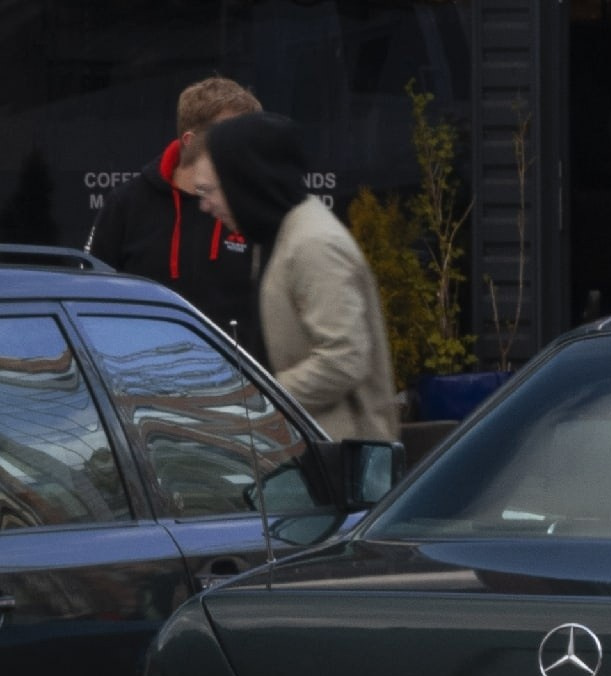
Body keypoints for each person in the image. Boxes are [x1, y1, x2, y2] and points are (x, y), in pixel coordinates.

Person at [186, 112, 398, 445]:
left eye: (208, 190)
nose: (204, 205)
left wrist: (255, 399)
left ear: (245, 181)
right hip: (309, 451)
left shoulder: (313, 245)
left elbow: (343, 359)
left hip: (341, 461)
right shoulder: (275, 236)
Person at [86, 77, 262, 350]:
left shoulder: (254, 205)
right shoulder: (127, 204)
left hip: (236, 384)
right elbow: (90, 299)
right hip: (140, 379)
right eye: (232, 137)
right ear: (191, 143)